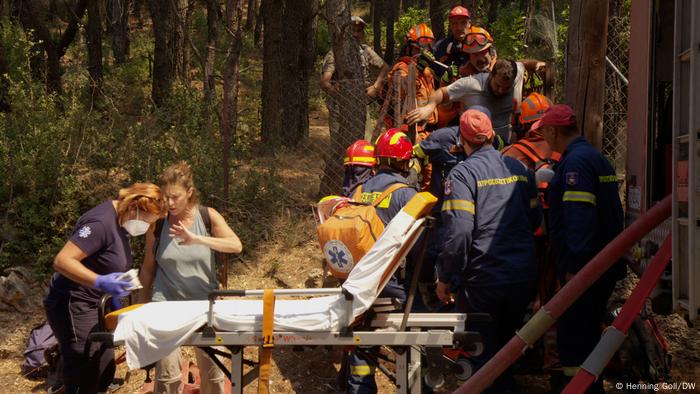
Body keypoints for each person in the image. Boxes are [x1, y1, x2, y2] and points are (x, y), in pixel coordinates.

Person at [435, 109, 539, 392]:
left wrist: (445, 278)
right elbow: (535, 220)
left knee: (481, 357)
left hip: (485, 279)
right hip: (523, 276)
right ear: (493, 135)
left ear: (462, 140)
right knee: (507, 350)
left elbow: (459, 234)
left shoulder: (463, 174)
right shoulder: (518, 169)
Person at [533, 105, 626, 392]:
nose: (543, 140)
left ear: (553, 131)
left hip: (586, 271)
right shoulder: (594, 158)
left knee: (574, 341)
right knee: (584, 337)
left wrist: (575, 270)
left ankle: (580, 388)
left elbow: (579, 220)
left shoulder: (576, 165)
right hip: (600, 266)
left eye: (544, 133)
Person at [44, 182, 166, 394]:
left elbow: (103, 259)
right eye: (147, 220)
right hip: (73, 302)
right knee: (84, 368)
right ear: (134, 206)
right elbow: (62, 261)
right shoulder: (101, 222)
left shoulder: (121, 221)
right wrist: (100, 281)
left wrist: (115, 289)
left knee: (103, 367)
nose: (147, 226)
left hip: (95, 303)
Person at [138, 161, 243, 394]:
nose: (170, 203)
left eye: (175, 197)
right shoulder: (157, 225)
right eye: (165, 197)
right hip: (165, 304)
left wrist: (198, 239)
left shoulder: (207, 216)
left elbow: (235, 245)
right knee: (166, 377)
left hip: (204, 304)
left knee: (213, 376)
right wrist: (140, 308)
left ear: (189, 193)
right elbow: (147, 269)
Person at [344, 128, 417, 393]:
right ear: (403, 161)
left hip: (359, 282)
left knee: (364, 345)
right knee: (417, 333)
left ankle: (360, 388)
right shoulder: (406, 195)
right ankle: (415, 385)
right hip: (391, 283)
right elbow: (419, 247)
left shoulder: (358, 190)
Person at [406, 58, 546, 146]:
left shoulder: (516, 74)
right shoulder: (472, 84)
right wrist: (429, 107)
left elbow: (522, 64)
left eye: (506, 88)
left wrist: (537, 64)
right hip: (475, 147)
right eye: (497, 85)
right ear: (491, 75)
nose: (501, 91)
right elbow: (441, 93)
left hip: (506, 145)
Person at [321, 16, 390, 140]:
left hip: (361, 103)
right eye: (353, 30)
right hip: (340, 106)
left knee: (365, 141)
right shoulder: (335, 53)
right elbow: (325, 82)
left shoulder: (365, 51)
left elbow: (385, 68)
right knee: (339, 142)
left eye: (359, 31)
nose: (356, 34)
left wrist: (375, 86)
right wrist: (334, 89)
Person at [433, 6, 472, 82]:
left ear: (469, 24)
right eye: (454, 23)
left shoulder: (479, 45)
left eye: (463, 22)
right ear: (450, 25)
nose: (459, 27)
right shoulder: (440, 47)